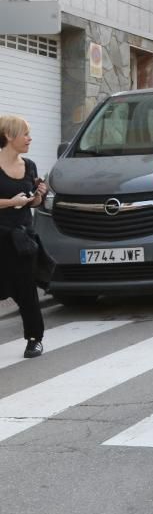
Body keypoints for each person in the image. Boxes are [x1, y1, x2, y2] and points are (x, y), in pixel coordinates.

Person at [0, 115, 47, 358]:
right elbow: (14, 201)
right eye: (25, 133)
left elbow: (34, 202)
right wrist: (11, 202)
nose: (30, 138)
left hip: (22, 239)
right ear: (8, 135)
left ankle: (34, 338)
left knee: (27, 291)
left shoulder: (29, 166)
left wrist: (39, 194)